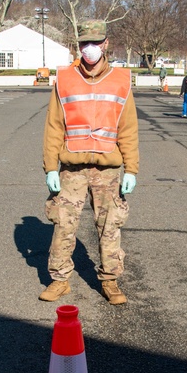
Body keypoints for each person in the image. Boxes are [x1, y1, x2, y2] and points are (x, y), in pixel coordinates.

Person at [39, 20, 139, 305]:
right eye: (85, 43)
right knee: (63, 224)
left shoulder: (121, 81)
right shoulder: (65, 79)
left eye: (96, 42)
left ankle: (110, 280)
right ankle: (59, 280)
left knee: (110, 226)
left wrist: (131, 169)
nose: (90, 48)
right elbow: (53, 127)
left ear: (106, 43)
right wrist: (49, 167)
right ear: (78, 45)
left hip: (107, 169)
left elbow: (128, 128)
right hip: (72, 169)